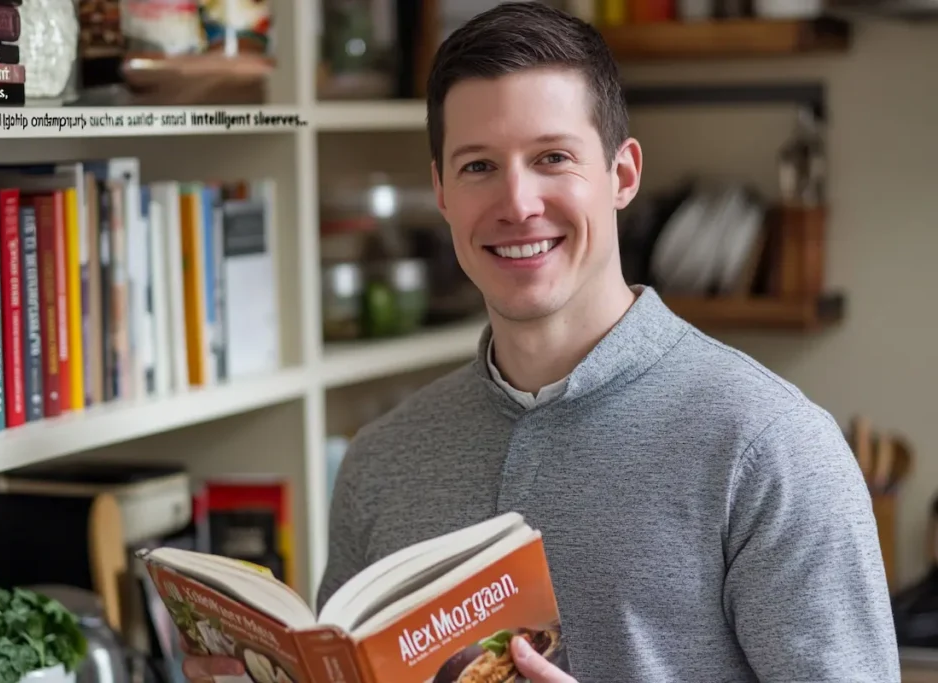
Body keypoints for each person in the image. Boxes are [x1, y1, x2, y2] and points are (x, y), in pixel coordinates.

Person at [185, 3, 899, 682]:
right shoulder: (380, 461)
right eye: (478, 166)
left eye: (552, 157)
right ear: (440, 191)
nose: (517, 203)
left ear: (622, 175)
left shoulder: (771, 447)